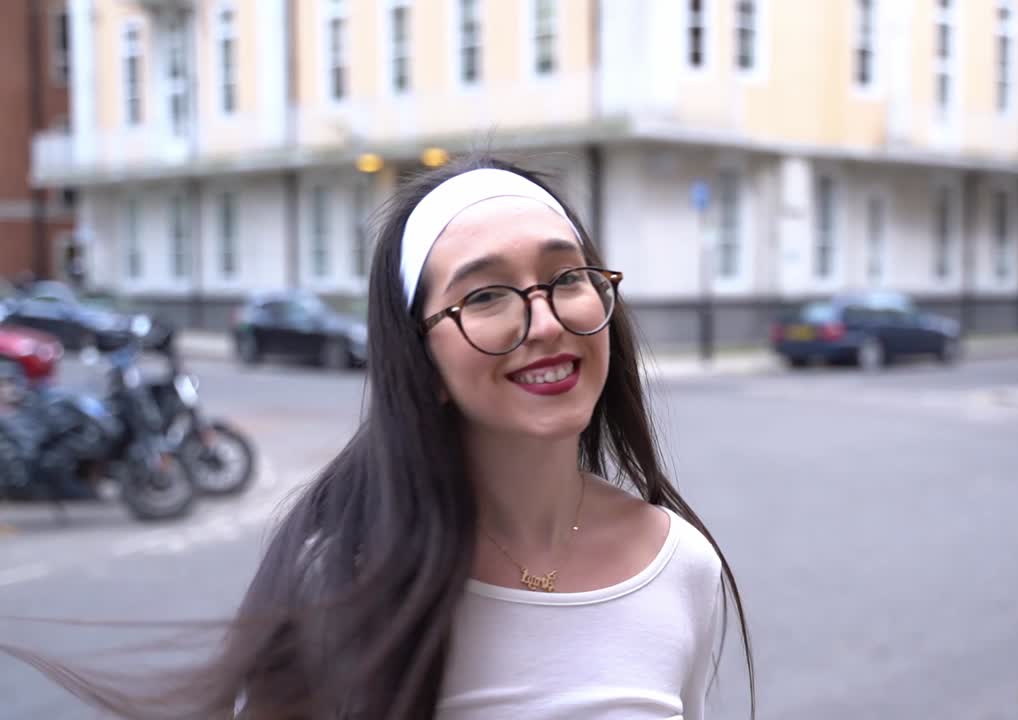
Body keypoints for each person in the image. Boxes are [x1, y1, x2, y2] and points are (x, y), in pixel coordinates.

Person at [11, 155, 754, 719]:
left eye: (567, 277)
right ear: (420, 358)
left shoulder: (681, 567)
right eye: (486, 295)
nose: (548, 321)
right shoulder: (341, 577)